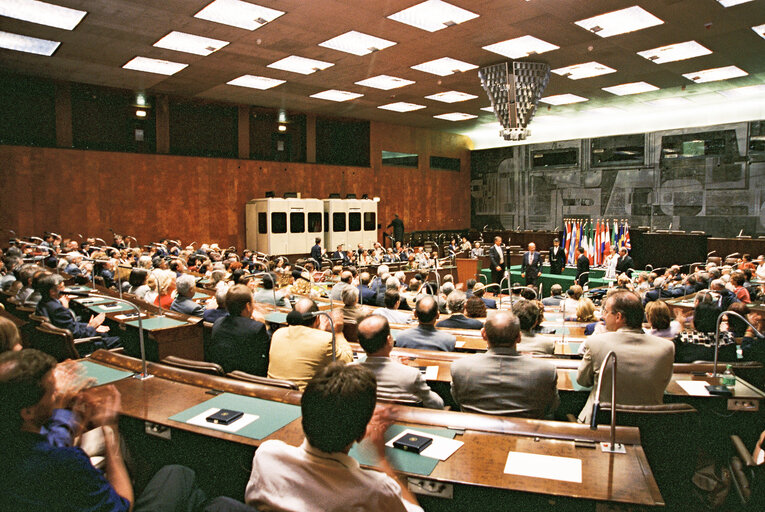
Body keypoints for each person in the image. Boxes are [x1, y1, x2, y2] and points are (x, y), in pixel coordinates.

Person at [0, 349, 209, 511]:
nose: (59, 394)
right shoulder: (64, 461)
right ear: (27, 412)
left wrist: (76, 421)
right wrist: (110, 428)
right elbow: (122, 505)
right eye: (53, 391)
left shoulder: (12, 439)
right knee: (180, 473)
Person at [246, 362, 423, 512]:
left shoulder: (266, 455)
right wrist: (383, 459)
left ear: (304, 416)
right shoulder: (378, 490)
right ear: (362, 435)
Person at [576, 291, 675, 423]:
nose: (603, 316)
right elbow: (663, 383)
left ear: (619, 317)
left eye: (605, 311)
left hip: (600, 425)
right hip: (648, 427)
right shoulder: (667, 347)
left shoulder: (595, 343)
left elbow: (583, 381)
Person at [450, 310, 558, 418]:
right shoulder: (547, 371)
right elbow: (552, 406)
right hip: (528, 432)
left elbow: (457, 401)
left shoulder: (459, 367)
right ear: (519, 337)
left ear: (483, 335)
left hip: (473, 431)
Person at [357, 316, 443, 409]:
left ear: (360, 343)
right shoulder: (411, 375)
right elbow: (437, 404)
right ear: (389, 340)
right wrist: (399, 368)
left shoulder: (348, 371)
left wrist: (396, 366)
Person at [268, 298, 353, 390]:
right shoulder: (324, 339)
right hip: (301, 397)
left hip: (271, 392)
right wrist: (338, 333)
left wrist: (319, 332)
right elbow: (347, 360)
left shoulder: (278, 334)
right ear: (317, 319)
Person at [34, 273, 121, 350]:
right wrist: (94, 325)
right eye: (62, 287)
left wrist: (88, 325)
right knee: (121, 339)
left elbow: (69, 326)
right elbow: (75, 334)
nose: (65, 289)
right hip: (78, 346)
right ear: (52, 292)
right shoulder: (58, 309)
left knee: (105, 333)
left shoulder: (42, 303)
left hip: (60, 343)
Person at [208, 285, 270, 375]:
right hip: (248, 378)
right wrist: (264, 324)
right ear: (248, 306)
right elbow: (266, 352)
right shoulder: (257, 327)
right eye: (253, 302)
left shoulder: (218, 322)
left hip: (222, 374)